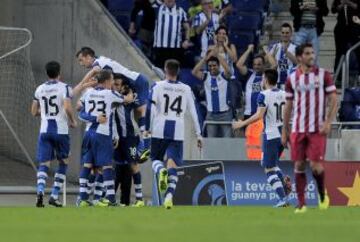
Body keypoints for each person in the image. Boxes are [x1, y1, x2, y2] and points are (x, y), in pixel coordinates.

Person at [282, 43, 338, 214]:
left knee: (316, 166)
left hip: (317, 129)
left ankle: (322, 195)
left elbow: (334, 100)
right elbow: (288, 106)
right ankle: (301, 203)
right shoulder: (292, 79)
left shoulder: (323, 75)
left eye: (312, 53)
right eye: (307, 53)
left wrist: (328, 122)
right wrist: (285, 131)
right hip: (298, 129)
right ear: (299, 57)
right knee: (298, 165)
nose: (311, 56)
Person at [145, 59, 202, 209]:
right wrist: (198, 134)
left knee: (155, 159)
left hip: (159, 128)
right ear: (178, 72)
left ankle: (160, 170)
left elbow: (150, 109)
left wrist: (147, 128)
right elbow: (193, 112)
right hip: (177, 130)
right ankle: (169, 197)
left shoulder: (157, 86)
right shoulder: (186, 89)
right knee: (173, 165)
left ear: (165, 69)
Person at [76, 47, 151, 162]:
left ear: (88, 57)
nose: (81, 64)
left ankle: (146, 145)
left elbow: (93, 73)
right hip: (131, 84)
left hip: (137, 82)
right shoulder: (102, 64)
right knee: (134, 114)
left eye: (81, 60)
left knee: (141, 111)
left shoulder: (98, 63)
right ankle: (142, 145)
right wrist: (84, 88)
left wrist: (80, 85)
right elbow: (96, 82)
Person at [232, 69, 292, 207]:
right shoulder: (285, 94)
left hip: (270, 135)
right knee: (270, 164)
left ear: (265, 80)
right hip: (282, 134)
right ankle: (283, 183)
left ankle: (282, 198)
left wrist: (242, 123)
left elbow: (259, 115)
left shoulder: (263, 95)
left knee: (268, 168)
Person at [77, 70, 133, 207]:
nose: (113, 82)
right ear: (107, 81)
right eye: (112, 79)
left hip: (88, 133)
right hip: (102, 134)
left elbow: (80, 113)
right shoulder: (110, 94)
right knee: (107, 165)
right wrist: (131, 92)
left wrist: (93, 118)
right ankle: (112, 200)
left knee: (87, 165)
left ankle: (83, 198)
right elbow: (127, 100)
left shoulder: (88, 92)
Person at [31, 61, 77, 207]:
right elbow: (68, 107)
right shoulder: (65, 87)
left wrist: (44, 112)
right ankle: (55, 195)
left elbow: (33, 112)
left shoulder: (40, 89)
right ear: (59, 72)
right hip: (61, 131)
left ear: (47, 72)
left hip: (44, 131)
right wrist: (73, 120)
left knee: (44, 163)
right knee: (64, 161)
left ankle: (40, 191)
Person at [192, 49, 233, 137]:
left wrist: (217, 55)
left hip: (225, 114)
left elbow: (229, 71)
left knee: (228, 142)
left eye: (214, 65)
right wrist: (204, 59)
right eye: (210, 66)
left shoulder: (224, 76)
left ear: (219, 66)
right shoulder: (206, 76)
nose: (212, 68)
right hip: (211, 114)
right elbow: (194, 72)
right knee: (211, 142)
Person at [153, 0, 192, 67]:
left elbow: (187, 28)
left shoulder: (181, 11)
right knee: (159, 71)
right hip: (160, 47)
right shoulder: (157, 8)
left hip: (175, 48)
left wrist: (186, 40)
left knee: (174, 70)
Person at [332, 0, 360, 73]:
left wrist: (349, 3)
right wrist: (342, 4)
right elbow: (334, 9)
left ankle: (358, 75)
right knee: (339, 53)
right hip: (341, 29)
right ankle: (338, 76)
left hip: (355, 28)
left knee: (357, 51)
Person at [269, 22, 297, 89]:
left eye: (287, 33)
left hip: (290, 82)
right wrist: (270, 55)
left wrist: (287, 52)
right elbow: (267, 61)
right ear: (280, 33)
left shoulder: (295, 47)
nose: (285, 35)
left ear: (291, 33)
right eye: (283, 33)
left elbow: (298, 62)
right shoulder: (275, 46)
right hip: (276, 82)